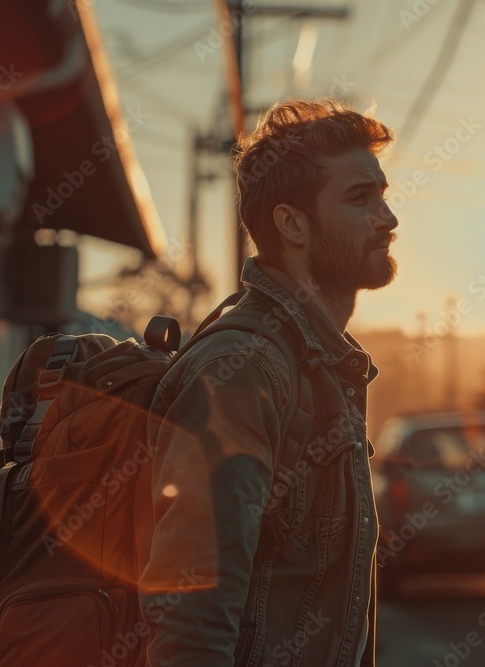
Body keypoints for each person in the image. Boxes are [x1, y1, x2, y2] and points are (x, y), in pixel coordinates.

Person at [140, 98, 398, 666]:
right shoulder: (244, 370)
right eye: (360, 198)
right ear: (291, 223)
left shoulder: (323, 364)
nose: (388, 218)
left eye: (382, 194)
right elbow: (190, 625)